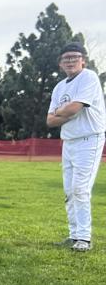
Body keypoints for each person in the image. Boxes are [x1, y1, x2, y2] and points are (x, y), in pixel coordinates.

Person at [46, 41, 106, 251]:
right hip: (69, 141)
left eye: (74, 57)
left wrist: (63, 111)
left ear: (83, 61)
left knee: (80, 188)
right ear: (60, 63)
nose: (70, 61)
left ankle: (84, 238)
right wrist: (66, 111)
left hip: (89, 138)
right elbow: (50, 121)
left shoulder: (88, 77)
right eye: (66, 58)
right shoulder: (59, 87)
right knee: (69, 190)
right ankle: (74, 235)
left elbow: (74, 108)